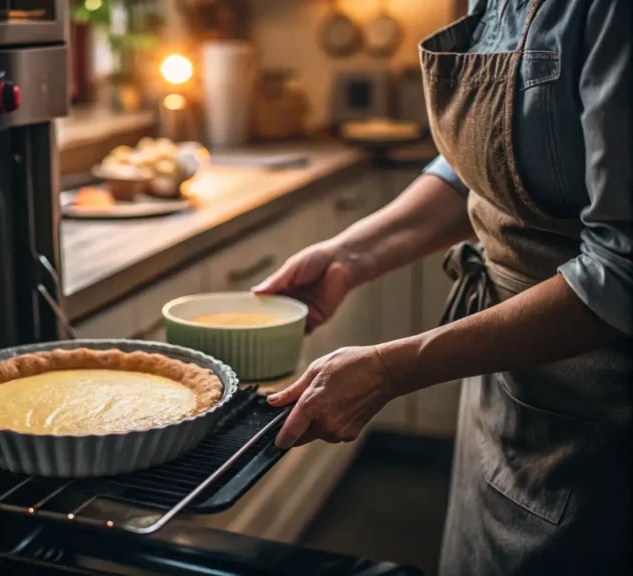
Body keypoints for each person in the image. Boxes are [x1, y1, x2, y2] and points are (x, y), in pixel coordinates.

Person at [252, 0, 631, 574]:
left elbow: (620, 274)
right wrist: (348, 256)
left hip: (597, 400)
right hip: (506, 376)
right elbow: (476, 168)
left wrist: (390, 369)